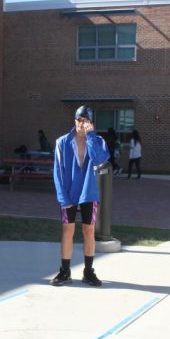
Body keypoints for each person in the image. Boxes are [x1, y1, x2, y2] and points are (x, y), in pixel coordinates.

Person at [50, 106, 110, 287]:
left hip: (89, 192)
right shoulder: (62, 142)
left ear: (90, 123)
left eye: (85, 120)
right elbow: (57, 171)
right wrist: (63, 197)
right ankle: (65, 271)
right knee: (67, 230)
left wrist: (91, 136)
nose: (81, 124)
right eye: (79, 119)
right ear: (74, 120)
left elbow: (99, 159)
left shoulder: (98, 140)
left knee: (88, 230)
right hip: (69, 192)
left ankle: (88, 271)